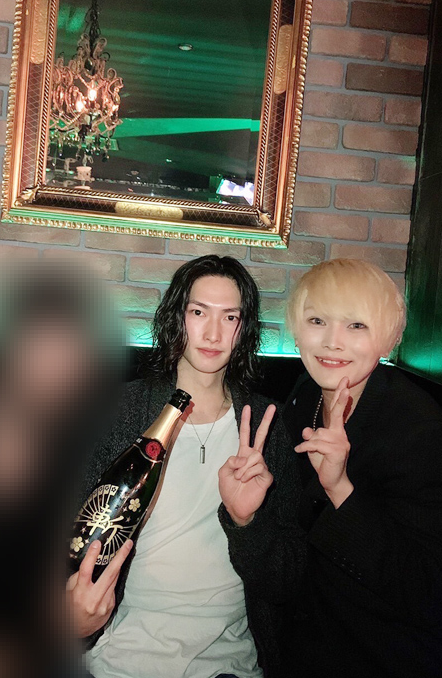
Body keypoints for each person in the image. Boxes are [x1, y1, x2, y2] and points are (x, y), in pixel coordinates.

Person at [69, 254, 305, 678]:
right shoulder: (119, 412)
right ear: (175, 317)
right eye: (199, 312)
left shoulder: (265, 427)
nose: (213, 333)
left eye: (230, 317)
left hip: (231, 665)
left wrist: (246, 522)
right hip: (121, 657)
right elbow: (66, 537)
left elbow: (286, 581)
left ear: (244, 330)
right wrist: (70, 619)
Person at [224, 257, 442, 678]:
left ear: (388, 338)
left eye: (356, 325)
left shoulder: (419, 429)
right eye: (317, 320)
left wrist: (341, 489)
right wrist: (245, 516)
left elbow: (427, 592)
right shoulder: (305, 396)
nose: (332, 342)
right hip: (301, 646)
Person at [0, 259, 124, 678]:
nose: (53, 372)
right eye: (40, 350)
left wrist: (74, 624)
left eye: (67, 356)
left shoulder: (78, 443)